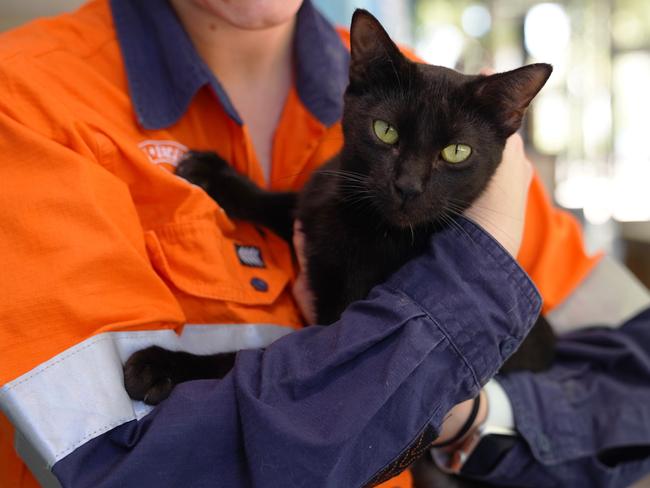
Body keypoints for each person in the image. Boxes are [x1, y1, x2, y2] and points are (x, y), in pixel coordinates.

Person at [0, 0, 648, 487]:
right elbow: (129, 470)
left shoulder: (442, 112)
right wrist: (469, 287)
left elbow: (635, 377)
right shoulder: (25, 102)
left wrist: (469, 416)